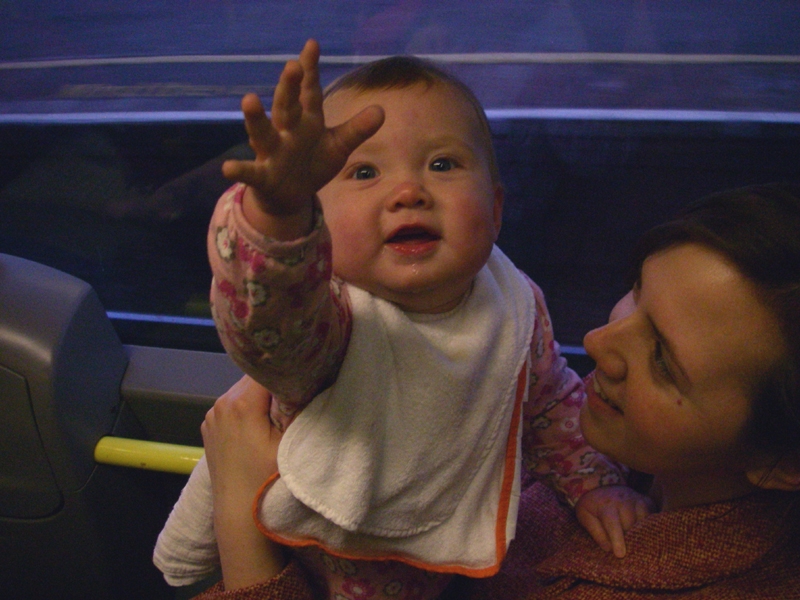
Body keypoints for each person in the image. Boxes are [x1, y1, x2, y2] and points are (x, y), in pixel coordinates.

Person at [154, 39, 649, 597]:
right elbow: (269, 325)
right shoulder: (333, 320)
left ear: (495, 210)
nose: (409, 191)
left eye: (442, 164)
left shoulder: (512, 305)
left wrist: (594, 484)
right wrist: (279, 218)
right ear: (319, 218)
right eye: (364, 172)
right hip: (313, 566)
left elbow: (550, 405)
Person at [194, 182, 800, 599]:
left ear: (783, 463)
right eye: (636, 292)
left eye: (663, 360)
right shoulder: (639, 458)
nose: (598, 341)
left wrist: (241, 519)